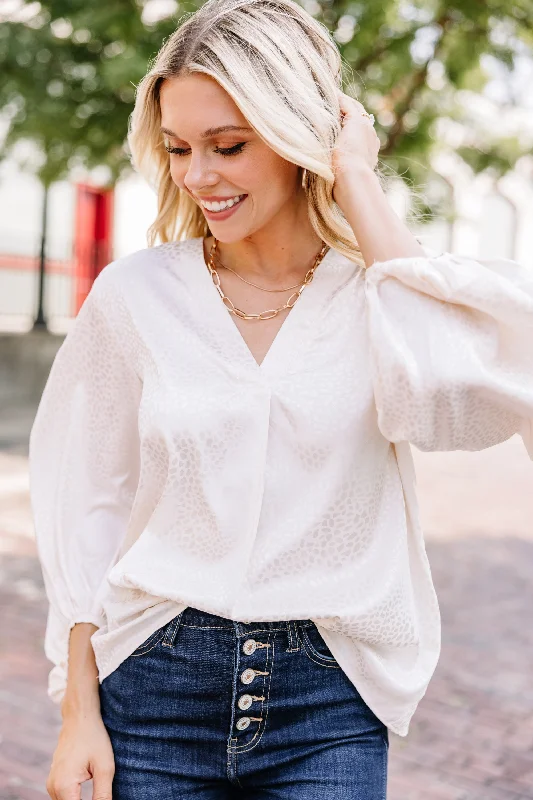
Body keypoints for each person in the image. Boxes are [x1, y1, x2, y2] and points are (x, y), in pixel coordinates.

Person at [28, 0, 533, 798]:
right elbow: (87, 504)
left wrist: (358, 178)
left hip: (327, 708)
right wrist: (77, 712)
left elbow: (450, 394)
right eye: (179, 149)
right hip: (150, 695)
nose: (198, 177)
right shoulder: (135, 295)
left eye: (228, 146)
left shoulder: (382, 297)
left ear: (302, 139)